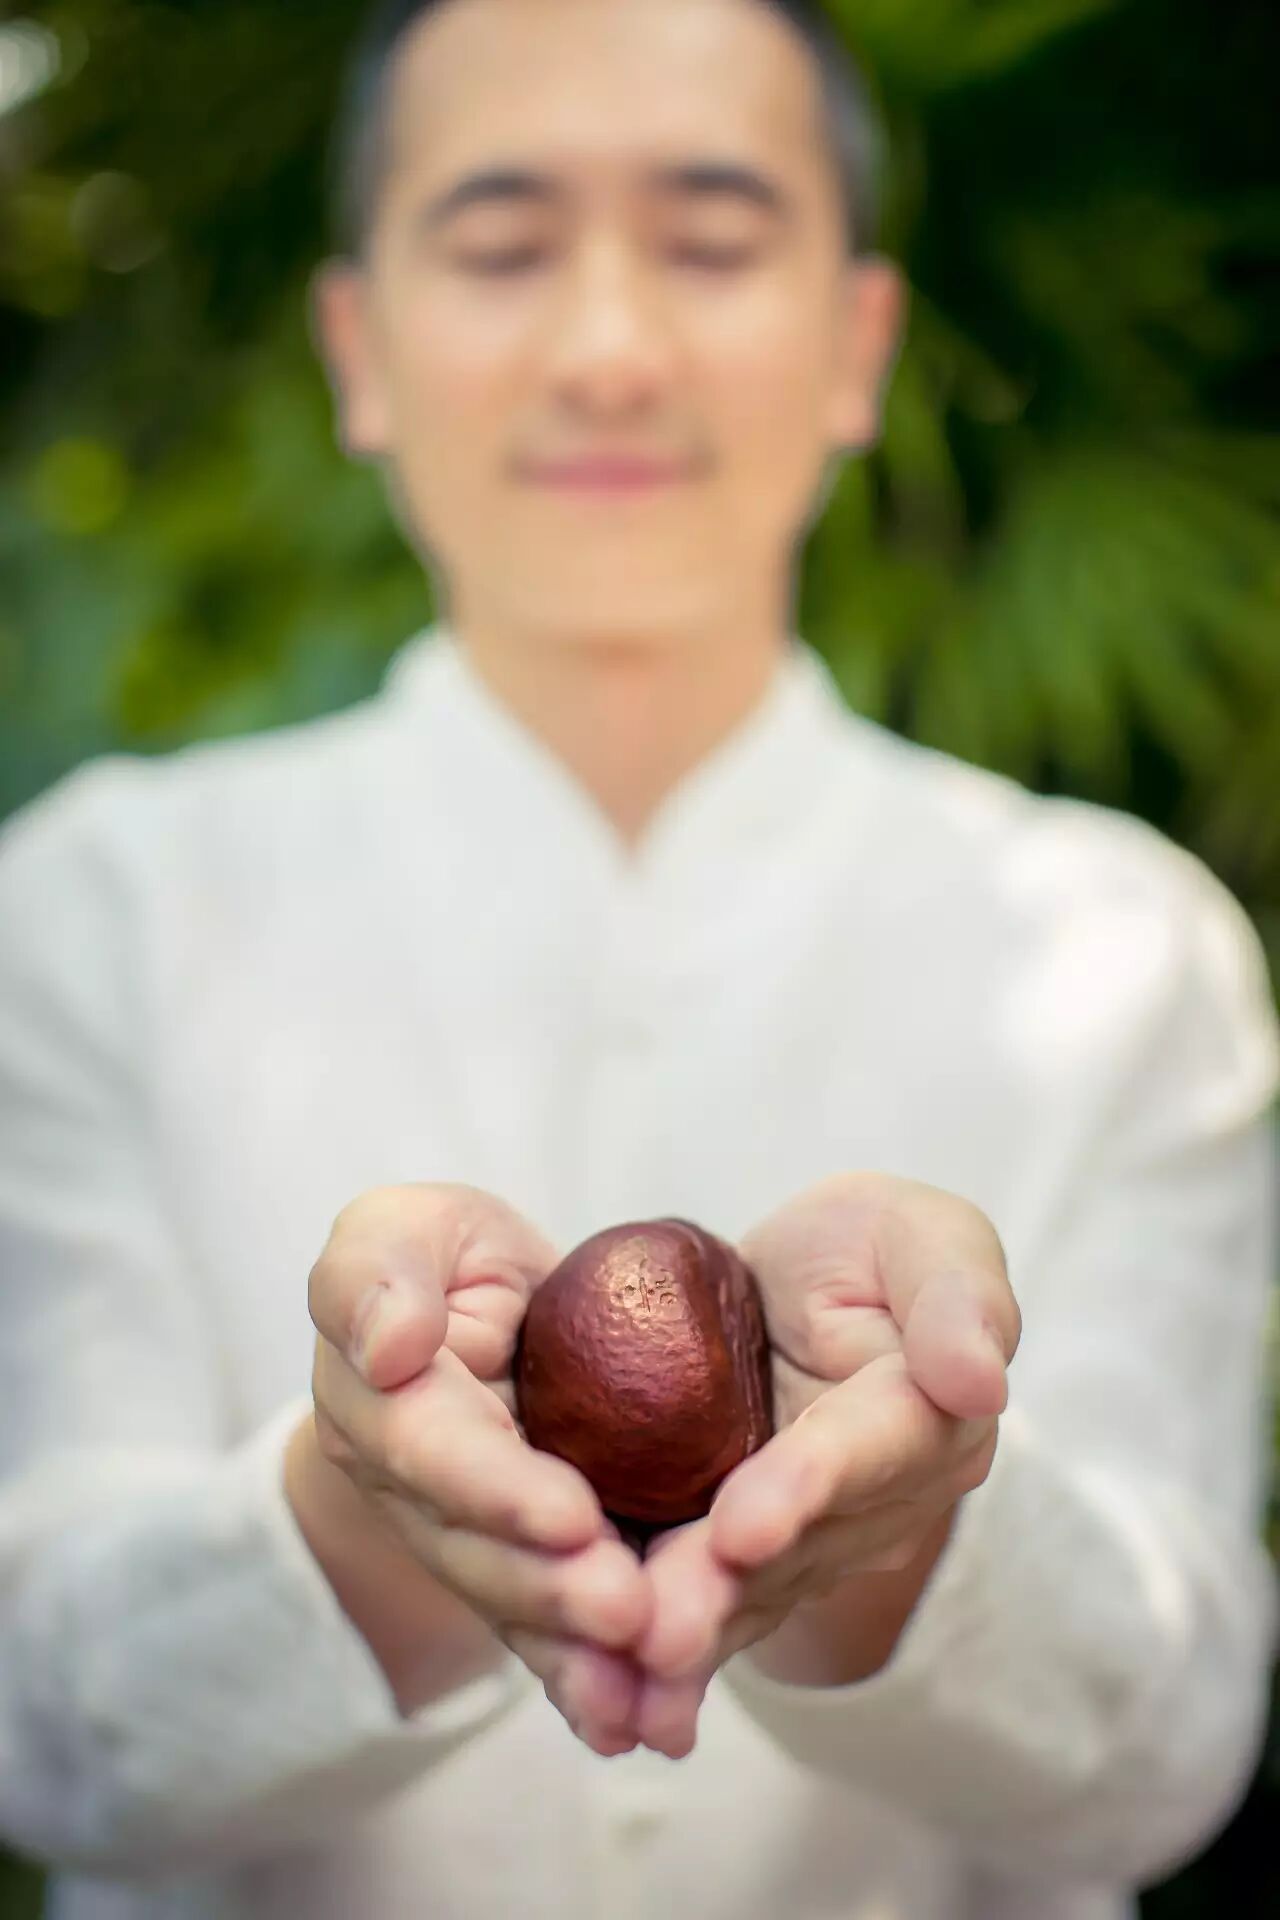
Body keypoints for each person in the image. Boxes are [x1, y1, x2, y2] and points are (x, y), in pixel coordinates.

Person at [0, 0, 1276, 1916]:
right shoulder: (88, 916)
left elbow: (1163, 1752)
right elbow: (41, 1728)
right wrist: (365, 1509)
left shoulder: (1128, 953)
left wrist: (906, 1533)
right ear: (359, 350)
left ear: (858, 343)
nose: (609, 349)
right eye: (504, 247)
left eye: (713, 241)